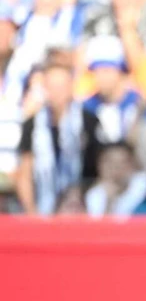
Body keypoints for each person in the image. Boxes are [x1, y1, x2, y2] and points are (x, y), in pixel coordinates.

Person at [15, 60, 102, 215]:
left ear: (71, 87)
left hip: (82, 208)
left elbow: (100, 169)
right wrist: (31, 212)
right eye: (52, 87)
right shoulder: (33, 124)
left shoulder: (88, 121)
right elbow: (25, 173)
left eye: (61, 86)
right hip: (43, 205)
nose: (57, 92)